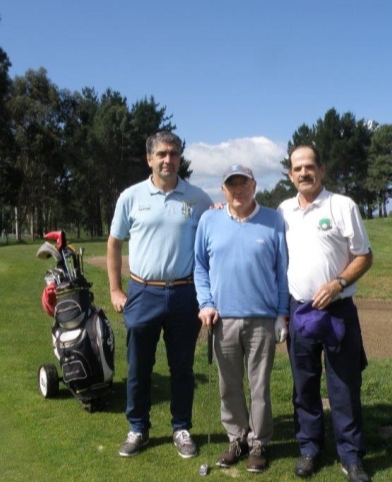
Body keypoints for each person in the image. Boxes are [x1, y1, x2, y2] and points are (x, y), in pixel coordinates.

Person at [107, 131, 213, 459]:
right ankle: (137, 428)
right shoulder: (131, 196)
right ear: (149, 158)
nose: (169, 160)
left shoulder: (198, 198)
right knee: (139, 366)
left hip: (185, 294)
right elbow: (114, 242)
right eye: (162, 154)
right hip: (143, 292)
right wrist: (114, 289)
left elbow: (216, 233)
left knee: (182, 367)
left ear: (181, 158)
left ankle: (181, 428)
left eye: (174, 154)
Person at [278, 145, 374, 482]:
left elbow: (364, 255)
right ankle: (310, 449)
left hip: (337, 310)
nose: (303, 173)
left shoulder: (341, 205)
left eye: (309, 166)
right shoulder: (283, 210)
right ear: (290, 175)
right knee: (304, 384)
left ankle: (351, 456)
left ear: (322, 169)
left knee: (344, 385)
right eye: (297, 168)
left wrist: (338, 283)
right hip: (299, 310)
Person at [194, 165, 289, 473]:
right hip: (222, 320)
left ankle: (259, 443)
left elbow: (282, 272)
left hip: (262, 319)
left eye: (243, 183)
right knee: (229, 385)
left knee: (259, 386)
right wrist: (205, 303)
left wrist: (281, 314)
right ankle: (237, 439)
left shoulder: (274, 220)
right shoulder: (209, 220)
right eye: (231, 185)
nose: (238, 190)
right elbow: (200, 268)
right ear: (224, 190)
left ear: (254, 186)